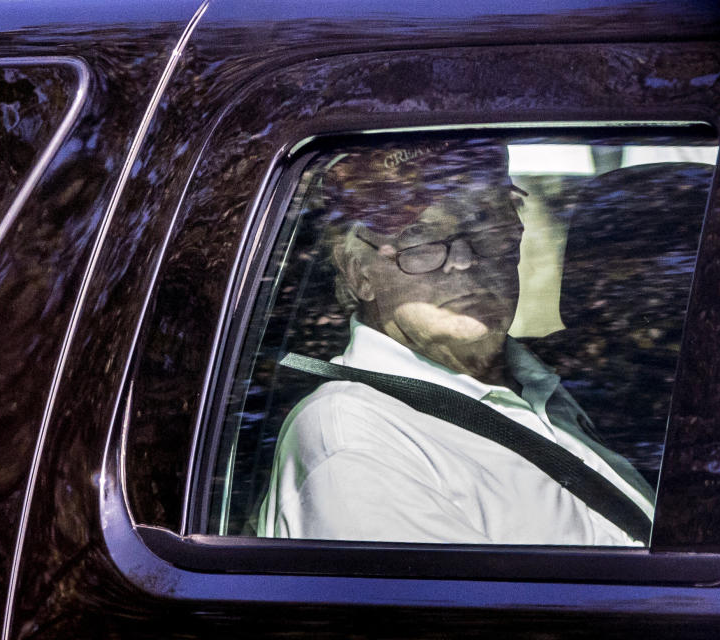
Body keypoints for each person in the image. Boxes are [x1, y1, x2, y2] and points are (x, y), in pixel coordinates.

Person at [257, 138, 655, 545]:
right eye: (421, 240)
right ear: (360, 273)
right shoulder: (354, 438)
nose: (464, 260)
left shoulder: (552, 383)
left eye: (485, 224)